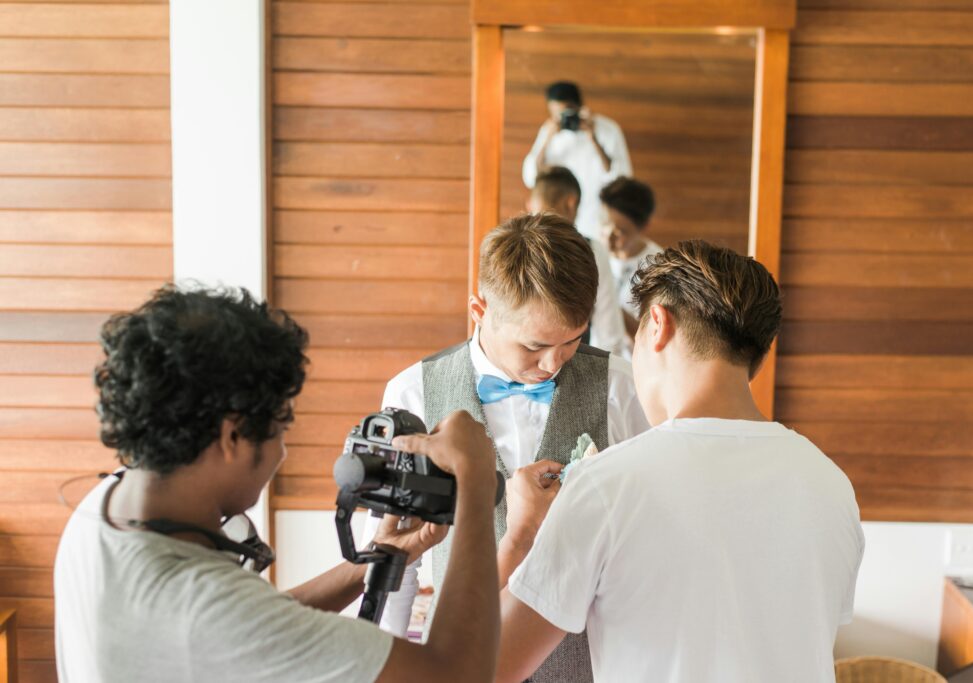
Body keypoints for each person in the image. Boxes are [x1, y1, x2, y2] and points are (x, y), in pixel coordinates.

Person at [54, 286, 502, 682]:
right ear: (232, 436)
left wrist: (373, 563)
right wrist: (476, 485)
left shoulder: (103, 509)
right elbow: (457, 674)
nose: (281, 453)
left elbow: (254, 623)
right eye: (279, 429)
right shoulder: (199, 608)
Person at [494, 241, 865, 682]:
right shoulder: (831, 484)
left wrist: (519, 535)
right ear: (758, 354)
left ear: (657, 325)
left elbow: (488, 667)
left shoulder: (607, 484)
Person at [366, 213, 650, 682]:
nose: (554, 362)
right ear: (480, 310)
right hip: (463, 662)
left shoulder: (623, 387)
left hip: (595, 664)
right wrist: (390, 663)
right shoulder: (412, 393)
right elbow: (397, 555)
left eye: (573, 341)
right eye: (535, 345)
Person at [527, 166, 627, 356]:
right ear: (571, 202)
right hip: (571, 366)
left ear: (531, 202)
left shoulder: (507, 246)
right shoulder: (592, 251)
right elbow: (610, 335)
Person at [523, 81, 632, 240]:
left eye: (565, 113)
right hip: (560, 218)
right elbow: (531, 176)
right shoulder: (550, 131)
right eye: (555, 114)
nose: (561, 119)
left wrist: (593, 138)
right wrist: (548, 138)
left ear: (579, 107)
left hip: (597, 219)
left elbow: (621, 177)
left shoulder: (607, 129)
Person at [600, 176, 662, 346]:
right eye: (605, 224)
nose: (608, 239)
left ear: (644, 227)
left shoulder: (658, 268)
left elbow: (653, 335)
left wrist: (605, 302)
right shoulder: (596, 253)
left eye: (620, 232)